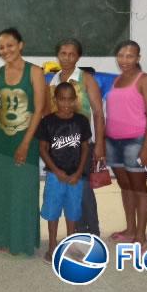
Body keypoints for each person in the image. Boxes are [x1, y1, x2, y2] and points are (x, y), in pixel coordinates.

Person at [0, 28, 45, 256]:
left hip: (26, 140)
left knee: (24, 191)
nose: (5, 50)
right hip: (1, 141)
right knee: (2, 191)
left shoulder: (35, 72)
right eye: (1, 47)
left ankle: (21, 241)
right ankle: (2, 238)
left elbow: (39, 109)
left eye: (10, 45)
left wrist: (24, 144)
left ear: (21, 45)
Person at [46, 38, 105, 236]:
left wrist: (100, 146)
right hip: (59, 148)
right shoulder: (54, 80)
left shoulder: (86, 78)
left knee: (83, 190)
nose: (67, 58)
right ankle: (77, 233)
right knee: (68, 192)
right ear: (58, 55)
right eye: (63, 53)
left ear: (78, 57)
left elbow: (98, 113)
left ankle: (92, 232)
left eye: (72, 54)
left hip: (82, 146)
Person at [106, 40, 147, 250]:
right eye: (121, 55)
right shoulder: (117, 80)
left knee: (139, 188)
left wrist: (146, 147)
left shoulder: (144, 80)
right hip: (112, 141)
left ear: (138, 58)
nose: (124, 60)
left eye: (129, 56)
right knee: (125, 187)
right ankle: (129, 229)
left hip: (135, 141)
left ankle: (141, 235)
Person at [37, 82, 90, 263]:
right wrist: (56, 171)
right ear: (55, 100)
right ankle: (52, 247)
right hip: (54, 176)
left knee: (73, 212)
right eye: (62, 99)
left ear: (75, 100)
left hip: (76, 177)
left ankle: (71, 246)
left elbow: (85, 148)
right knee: (52, 212)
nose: (66, 104)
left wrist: (78, 172)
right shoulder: (48, 121)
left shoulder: (81, 121)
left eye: (69, 100)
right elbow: (43, 149)